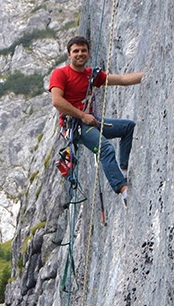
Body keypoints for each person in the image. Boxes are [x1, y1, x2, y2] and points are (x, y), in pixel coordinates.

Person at [48, 35, 143, 204]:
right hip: (76, 126)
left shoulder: (91, 75)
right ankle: (123, 189)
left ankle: (123, 169)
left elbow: (121, 80)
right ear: (69, 55)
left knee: (128, 127)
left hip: (91, 121)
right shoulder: (60, 74)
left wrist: (148, 74)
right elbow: (57, 101)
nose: (80, 54)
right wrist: (83, 115)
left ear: (88, 53)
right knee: (105, 148)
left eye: (83, 50)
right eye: (75, 51)